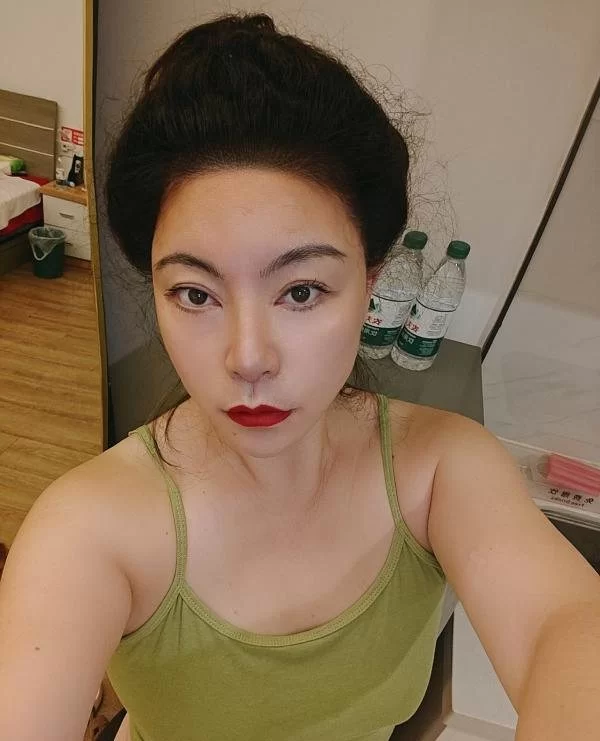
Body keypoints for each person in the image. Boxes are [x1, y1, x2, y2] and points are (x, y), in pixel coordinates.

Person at [1, 11, 599, 741]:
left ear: (369, 285)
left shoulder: (441, 469)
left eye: (302, 290)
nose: (248, 356)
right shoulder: (87, 530)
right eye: (195, 294)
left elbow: (566, 625)